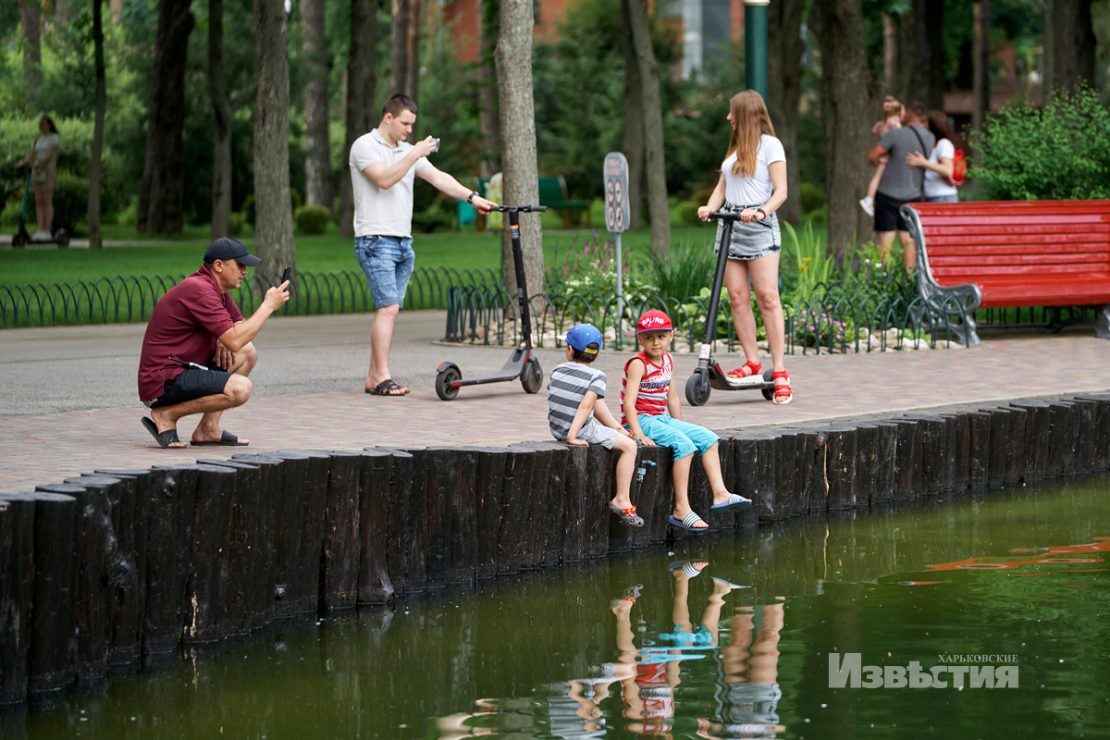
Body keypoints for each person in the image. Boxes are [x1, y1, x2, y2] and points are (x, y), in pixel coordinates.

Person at [350, 93, 497, 397]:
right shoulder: (365, 146)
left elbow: (439, 178)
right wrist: (414, 154)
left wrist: (472, 197)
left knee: (390, 309)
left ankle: (372, 375)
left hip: (403, 241)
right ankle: (381, 378)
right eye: (405, 123)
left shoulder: (407, 151)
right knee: (388, 307)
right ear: (388, 117)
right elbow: (384, 180)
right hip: (375, 239)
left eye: (412, 125)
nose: (409, 131)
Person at [137, 237, 290, 448]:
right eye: (240, 265)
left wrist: (222, 336)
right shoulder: (198, 289)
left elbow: (239, 332)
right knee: (240, 389)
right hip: (163, 380)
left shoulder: (217, 290)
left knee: (247, 353)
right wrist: (268, 306)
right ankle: (166, 415)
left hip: (184, 369)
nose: (245, 271)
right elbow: (235, 339)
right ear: (219, 265)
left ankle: (207, 429)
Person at [697, 90, 793, 405]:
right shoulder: (737, 148)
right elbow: (723, 187)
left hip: (759, 225)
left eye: (732, 113)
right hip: (731, 225)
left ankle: (779, 371)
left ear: (746, 114)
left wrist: (762, 211)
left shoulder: (771, 145)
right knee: (738, 298)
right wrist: (709, 207)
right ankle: (752, 361)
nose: (728, 118)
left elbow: (781, 191)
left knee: (767, 298)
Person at [621, 310, 752, 534]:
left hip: (660, 418)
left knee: (708, 438)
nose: (656, 343)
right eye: (649, 338)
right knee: (685, 446)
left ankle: (720, 494)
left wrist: (680, 425)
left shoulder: (668, 360)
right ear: (640, 339)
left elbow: (672, 396)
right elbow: (628, 403)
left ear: (671, 336)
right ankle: (681, 508)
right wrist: (637, 433)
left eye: (661, 337)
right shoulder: (638, 364)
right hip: (641, 419)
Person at [548, 323, 644, 527]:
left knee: (598, 406)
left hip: (558, 427)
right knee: (630, 447)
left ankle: (616, 429)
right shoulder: (596, 376)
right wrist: (572, 436)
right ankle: (622, 499)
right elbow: (585, 406)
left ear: (570, 349)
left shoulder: (556, 370)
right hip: (577, 429)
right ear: (597, 353)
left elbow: (590, 402)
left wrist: (616, 427)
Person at [867, 100, 935, 270]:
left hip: (888, 193)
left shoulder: (895, 135)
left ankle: (884, 278)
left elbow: (872, 155)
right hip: (913, 195)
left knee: (886, 240)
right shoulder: (929, 137)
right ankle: (909, 276)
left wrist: (882, 163)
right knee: (908, 239)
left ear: (908, 114)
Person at [15, 115, 60, 239]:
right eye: (39, 124)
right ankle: (40, 229)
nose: (40, 126)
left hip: (47, 170)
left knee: (47, 200)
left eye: (43, 123)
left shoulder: (54, 138)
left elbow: (51, 153)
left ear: (49, 124)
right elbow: (32, 155)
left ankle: (47, 230)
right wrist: (23, 162)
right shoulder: (38, 139)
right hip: (36, 170)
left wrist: (42, 162)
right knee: (38, 200)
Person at [859, 96, 904, 217]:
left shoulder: (881, 124)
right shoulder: (894, 122)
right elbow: (900, 135)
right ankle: (869, 199)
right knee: (878, 177)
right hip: (889, 156)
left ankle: (870, 198)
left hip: (883, 155)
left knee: (878, 178)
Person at [906, 109, 961, 204]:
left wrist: (924, 163)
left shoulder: (943, 144)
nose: (922, 126)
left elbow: (947, 170)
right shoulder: (933, 144)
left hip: (943, 197)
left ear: (933, 125)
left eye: (924, 122)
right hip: (934, 196)